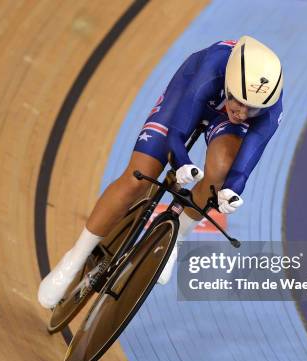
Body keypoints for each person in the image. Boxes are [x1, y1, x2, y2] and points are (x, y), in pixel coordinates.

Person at [38, 35, 284, 309]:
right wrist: (181, 164)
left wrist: (232, 190)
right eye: (240, 102)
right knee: (137, 179)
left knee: (221, 173)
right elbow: (177, 132)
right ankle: (75, 257)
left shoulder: (269, 108)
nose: (242, 113)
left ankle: (177, 237)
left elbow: (248, 157)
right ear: (230, 83)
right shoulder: (213, 68)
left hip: (220, 117)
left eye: (253, 109)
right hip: (190, 95)